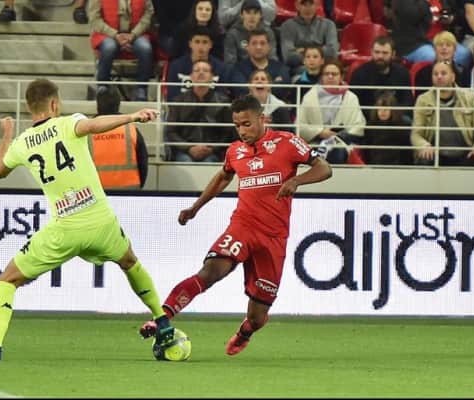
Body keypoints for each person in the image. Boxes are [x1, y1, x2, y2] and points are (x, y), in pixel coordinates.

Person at [0, 79, 174, 361]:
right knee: (130, 262)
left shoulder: (22, 143)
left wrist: (7, 135)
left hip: (64, 230)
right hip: (101, 222)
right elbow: (94, 125)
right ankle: (162, 320)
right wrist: (132, 117)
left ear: (29, 107)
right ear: (54, 103)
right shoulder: (68, 124)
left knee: (7, 279)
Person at [139, 94, 332, 356]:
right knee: (210, 271)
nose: (242, 131)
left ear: (262, 119)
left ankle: (245, 332)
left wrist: (297, 181)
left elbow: (324, 168)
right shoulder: (235, 151)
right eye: (237, 125)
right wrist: (195, 207)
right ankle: (161, 318)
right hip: (242, 227)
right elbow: (222, 178)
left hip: (273, 237)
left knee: (257, 316)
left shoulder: (287, 142)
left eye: (247, 124)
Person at [411, 60, 474, 166]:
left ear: (453, 77)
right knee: (424, 158)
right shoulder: (423, 100)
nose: (439, 77)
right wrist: (424, 146)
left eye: (443, 73)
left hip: (465, 154)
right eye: (435, 74)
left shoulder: (469, 97)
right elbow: (416, 133)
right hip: (435, 154)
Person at [297, 60, 367, 164]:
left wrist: (338, 135)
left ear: (341, 77)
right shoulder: (310, 96)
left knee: (337, 151)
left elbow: (358, 126)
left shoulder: (351, 97)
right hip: (315, 141)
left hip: (342, 143)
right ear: (321, 76)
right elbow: (300, 125)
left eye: (334, 74)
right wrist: (320, 132)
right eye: (326, 74)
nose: (330, 77)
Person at [165, 60, 234, 162]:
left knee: (209, 162)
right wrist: (189, 148)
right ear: (191, 77)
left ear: (212, 77)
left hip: (212, 152)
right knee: (186, 162)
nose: (201, 73)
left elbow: (228, 133)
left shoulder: (223, 102)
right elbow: (171, 131)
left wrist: (212, 148)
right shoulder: (178, 101)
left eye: (205, 70)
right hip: (184, 151)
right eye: (197, 70)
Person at [89, 0, 155, 101]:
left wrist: (133, 34)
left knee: (145, 48)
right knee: (109, 48)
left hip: (136, 34)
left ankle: (142, 88)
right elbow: (95, 19)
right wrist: (115, 35)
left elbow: (148, 14)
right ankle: (102, 86)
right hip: (108, 34)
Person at [89, 86, 149, 189]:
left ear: (98, 105)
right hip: (129, 190)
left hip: (96, 191)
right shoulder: (131, 129)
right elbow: (143, 162)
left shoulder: (87, 131)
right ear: (118, 104)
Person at [349, 35, 414, 122]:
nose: (380, 56)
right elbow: (354, 104)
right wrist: (376, 114)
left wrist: (392, 114)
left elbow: (408, 103)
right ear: (371, 52)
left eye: (385, 53)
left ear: (393, 54)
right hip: (367, 119)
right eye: (377, 52)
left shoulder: (403, 73)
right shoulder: (359, 73)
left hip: (395, 118)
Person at [279, 0, 339, 77]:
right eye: (303, 4)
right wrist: (319, 52)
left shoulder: (329, 25)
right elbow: (289, 57)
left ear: (317, 5)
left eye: (311, 4)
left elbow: (332, 52)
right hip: (299, 72)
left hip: (324, 72)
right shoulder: (287, 26)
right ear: (297, 5)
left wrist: (302, 50)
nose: (308, 8)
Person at [223, 0, 278, 65]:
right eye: (248, 12)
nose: (252, 16)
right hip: (241, 70)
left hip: (264, 69)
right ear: (241, 15)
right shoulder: (233, 34)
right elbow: (230, 63)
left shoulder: (268, 32)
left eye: (255, 13)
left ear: (260, 15)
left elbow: (272, 58)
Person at [363, 92, 412, 165]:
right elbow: (367, 150)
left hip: (397, 165)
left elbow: (406, 152)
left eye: (385, 109)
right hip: (375, 165)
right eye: (380, 109)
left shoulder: (401, 127)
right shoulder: (371, 126)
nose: (382, 112)